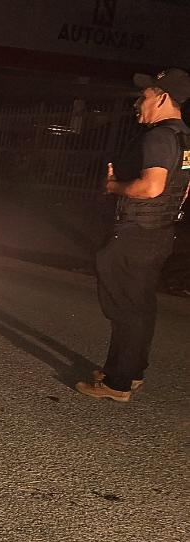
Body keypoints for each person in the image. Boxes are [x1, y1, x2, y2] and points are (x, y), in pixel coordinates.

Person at [76, 68, 190, 402]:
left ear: (163, 97)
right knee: (139, 306)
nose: (139, 102)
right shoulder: (184, 137)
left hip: (136, 232)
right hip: (159, 231)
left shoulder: (158, 136)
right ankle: (132, 371)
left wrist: (114, 186)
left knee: (125, 308)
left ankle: (117, 383)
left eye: (145, 95)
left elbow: (151, 187)